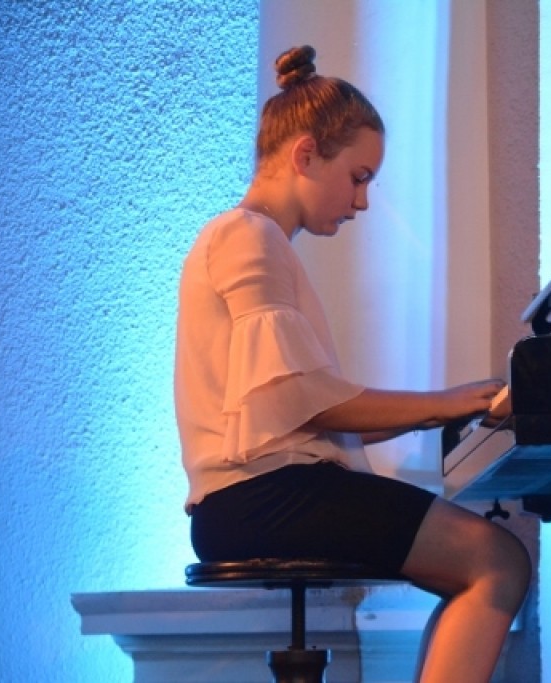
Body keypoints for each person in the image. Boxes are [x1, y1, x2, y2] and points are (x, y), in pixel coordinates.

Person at [174, 45, 530, 682]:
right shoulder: (246, 236)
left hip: (252, 497)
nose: (362, 201)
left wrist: (447, 408)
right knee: (496, 562)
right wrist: (449, 402)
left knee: (486, 563)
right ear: (306, 155)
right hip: (261, 497)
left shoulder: (255, 242)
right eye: (358, 177)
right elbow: (312, 402)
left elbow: (310, 417)